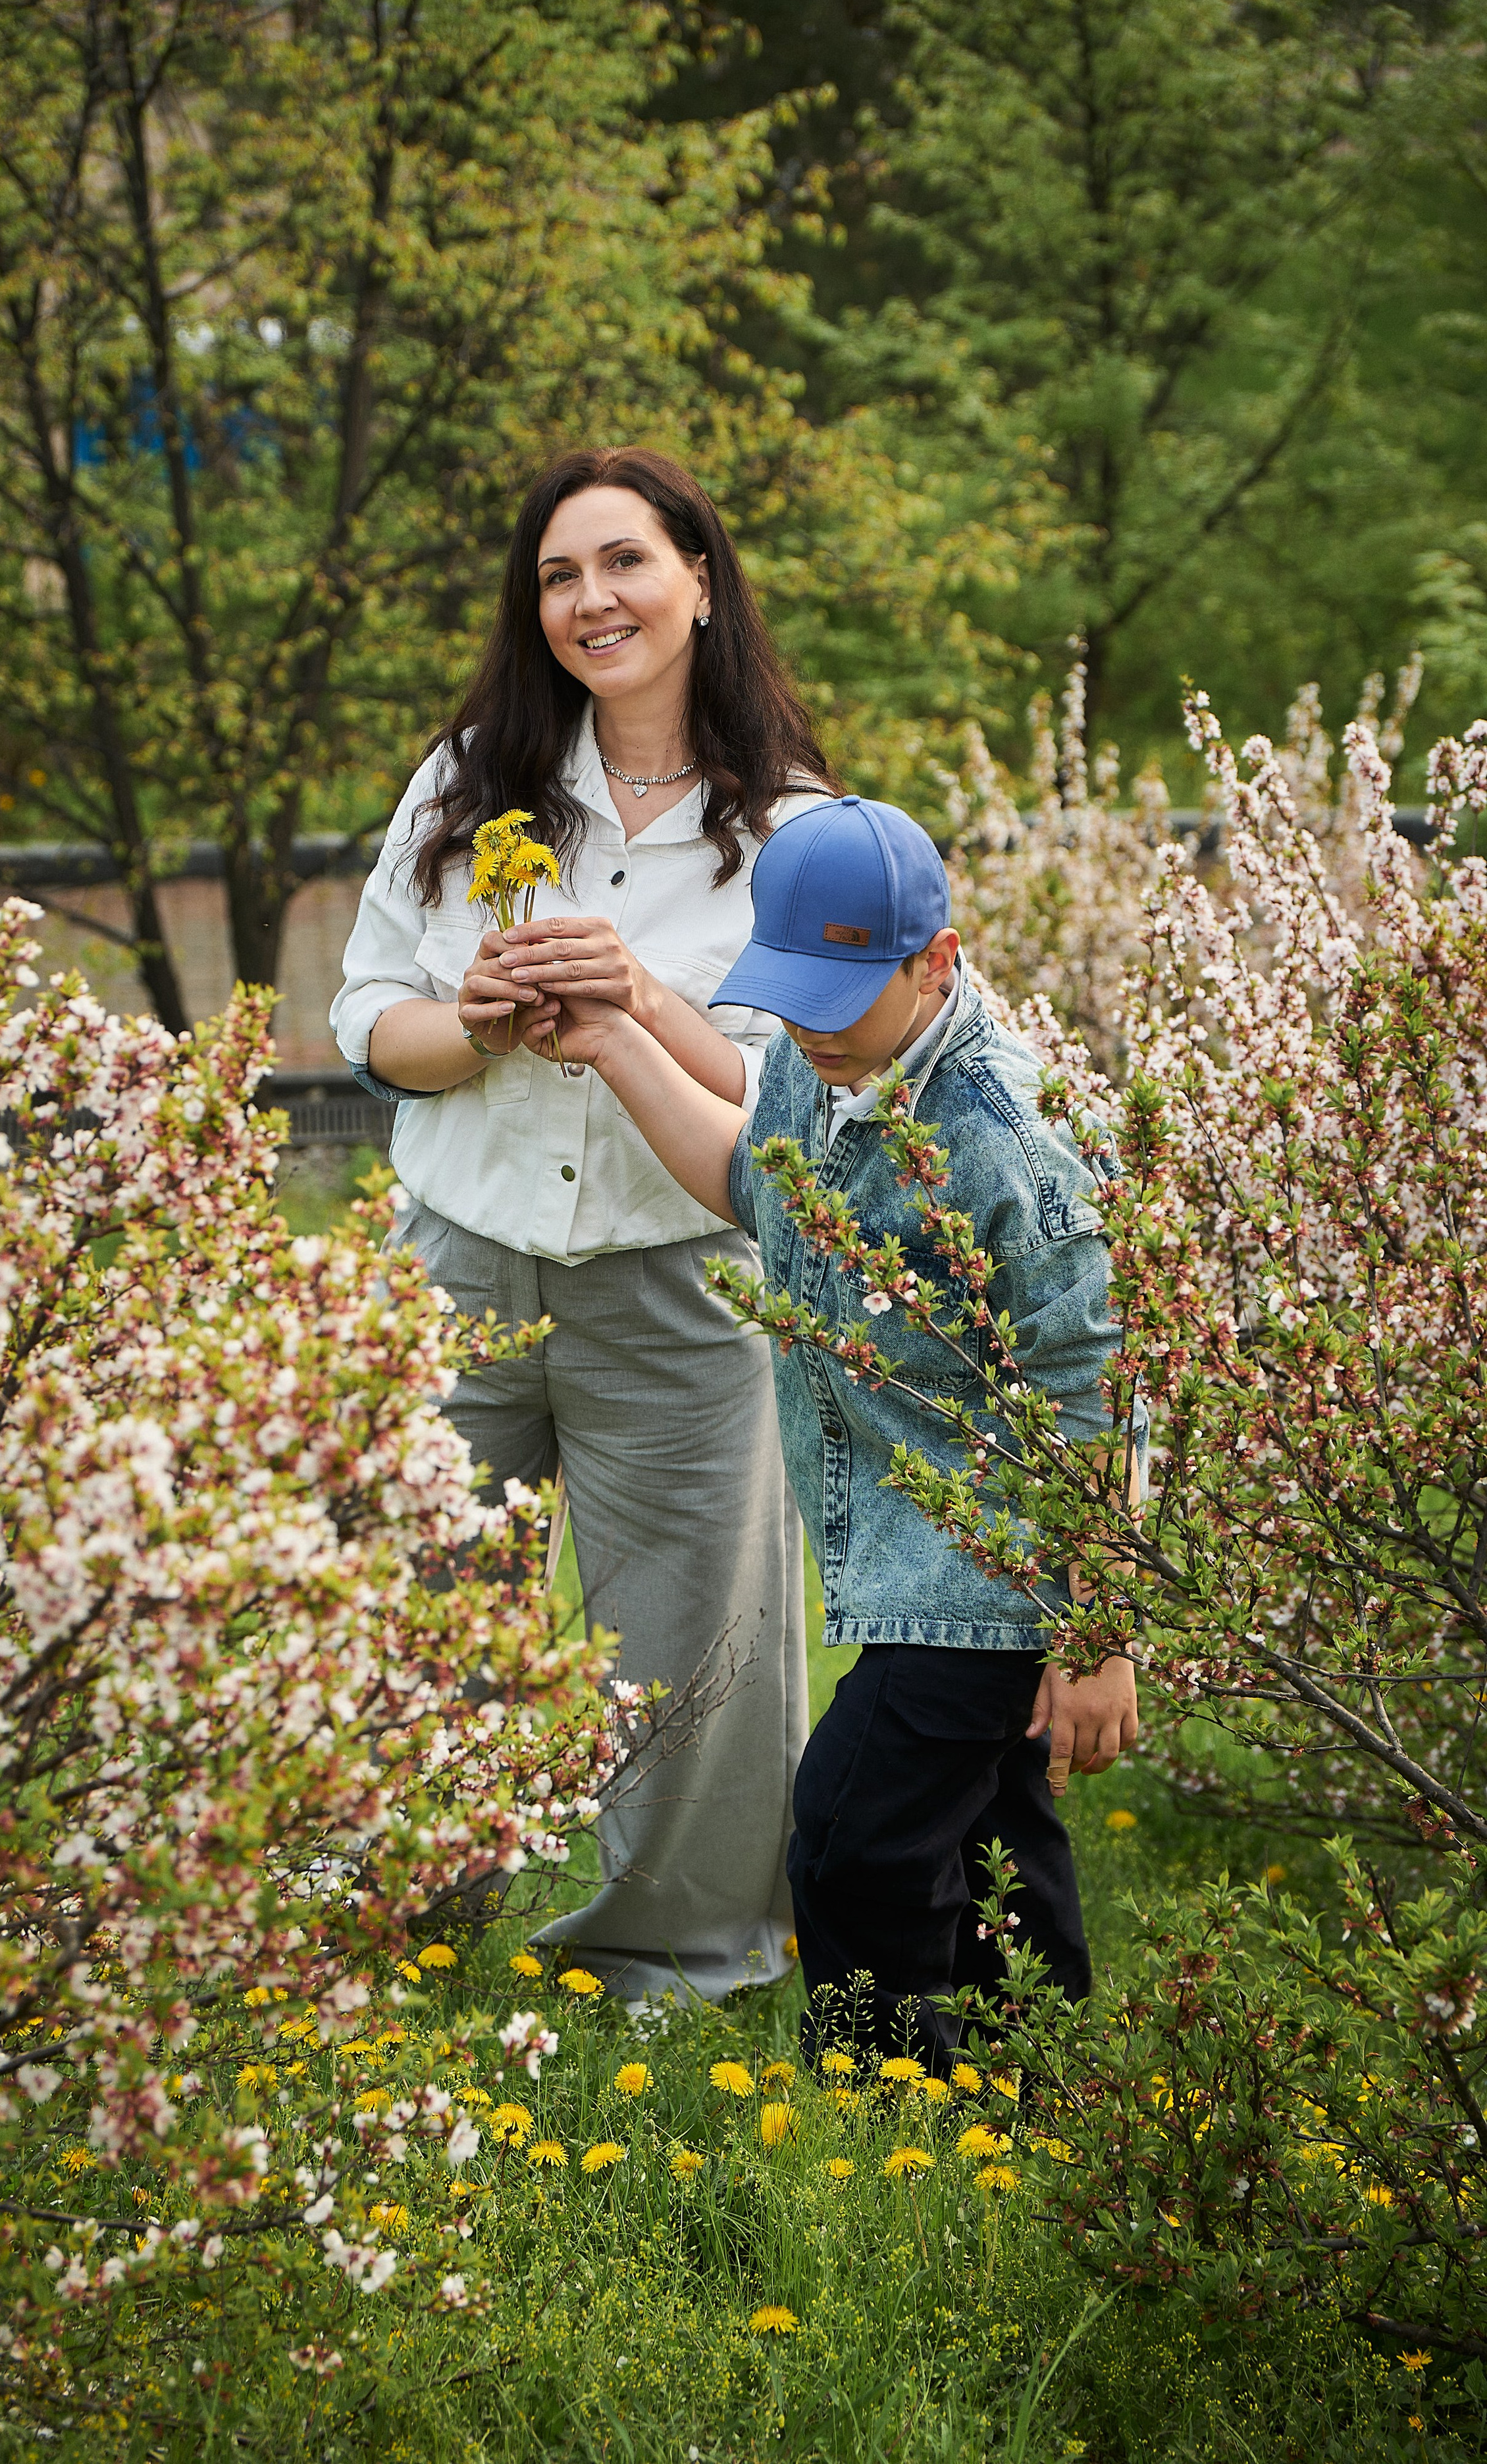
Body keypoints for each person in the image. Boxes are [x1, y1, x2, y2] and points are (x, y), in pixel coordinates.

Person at [330, 446, 837, 2006]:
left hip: (679, 1286)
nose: (589, 599)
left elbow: (791, 1092)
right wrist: (470, 1021)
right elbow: (365, 1017)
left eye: (622, 562)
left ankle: (673, 1957)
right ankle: (378, 1931)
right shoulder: (470, 778)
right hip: (459, 1269)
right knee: (396, 1611)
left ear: (698, 578)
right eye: (558, 574)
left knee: (699, 1648)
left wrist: (640, 1000)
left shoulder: (796, 832)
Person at [526, 792, 1143, 2066]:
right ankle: (1047, 2074)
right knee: (991, 1830)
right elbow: (763, 1186)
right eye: (790, 992)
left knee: (852, 1825)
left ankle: (878, 2075)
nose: (809, 1025)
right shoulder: (833, 1059)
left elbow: (1092, 1393)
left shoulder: (1010, 1148)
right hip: (909, 1555)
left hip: (994, 1566)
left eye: (840, 993)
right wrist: (617, 1036)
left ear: (938, 962)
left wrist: (1096, 1635)